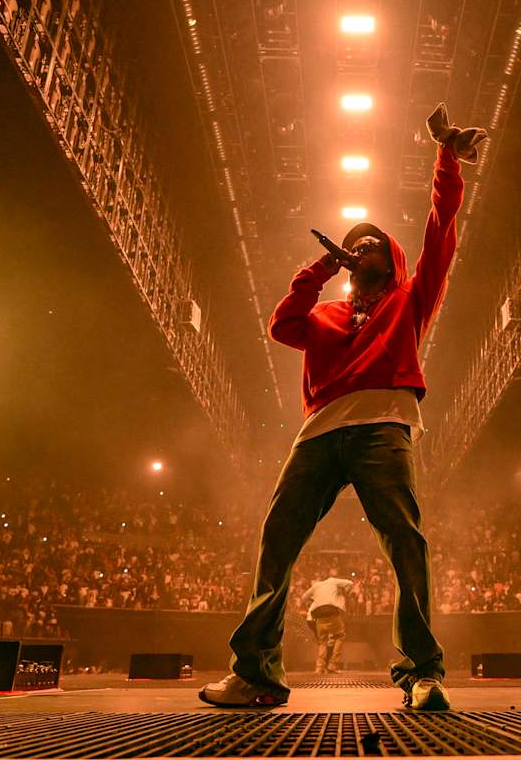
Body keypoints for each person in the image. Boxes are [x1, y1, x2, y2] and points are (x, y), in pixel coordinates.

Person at [201, 105, 486, 711]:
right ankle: (257, 674)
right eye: (351, 244)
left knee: (404, 542)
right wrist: (319, 268)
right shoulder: (326, 315)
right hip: (319, 432)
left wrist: (446, 159)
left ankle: (423, 672)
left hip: (384, 425)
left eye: (372, 242)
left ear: (391, 257)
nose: (361, 247)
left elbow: (441, 227)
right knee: (278, 539)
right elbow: (281, 325)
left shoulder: (411, 300)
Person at [305, 575, 354, 674]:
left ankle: (319, 667)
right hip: (331, 613)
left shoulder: (316, 586)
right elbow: (350, 583)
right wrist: (346, 592)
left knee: (322, 641)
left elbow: (304, 596)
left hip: (317, 617)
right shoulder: (333, 581)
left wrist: (314, 598)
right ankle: (332, 664)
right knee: (340, 636)